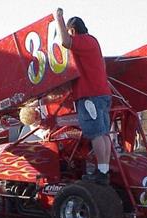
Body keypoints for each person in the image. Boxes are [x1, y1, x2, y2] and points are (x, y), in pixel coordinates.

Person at [54, 8, 112, 184]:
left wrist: (59, 18)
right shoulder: (93, 41)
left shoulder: (82, 41)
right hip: (101, 94)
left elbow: (65, 42)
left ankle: (101, 173)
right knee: (103, 134)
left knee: (95, 134)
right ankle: (104, 170)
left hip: (90, 96)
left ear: (72, 31)